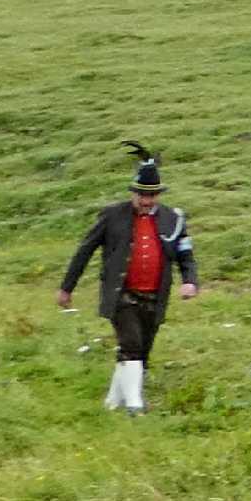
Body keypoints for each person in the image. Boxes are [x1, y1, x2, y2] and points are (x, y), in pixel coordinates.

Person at [56, 141, 199, 416]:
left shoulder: (174, 219)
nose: (146, 201)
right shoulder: (112, 215)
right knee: (131, 344)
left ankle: (112, 403)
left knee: (139, 351)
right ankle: (135, 405)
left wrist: (190, 281)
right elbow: (85, 250)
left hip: (155, 297)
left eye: (152, 195)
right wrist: (67, 288)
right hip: (121, 294)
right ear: (133, 192)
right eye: (142, 195)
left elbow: (186, 255)